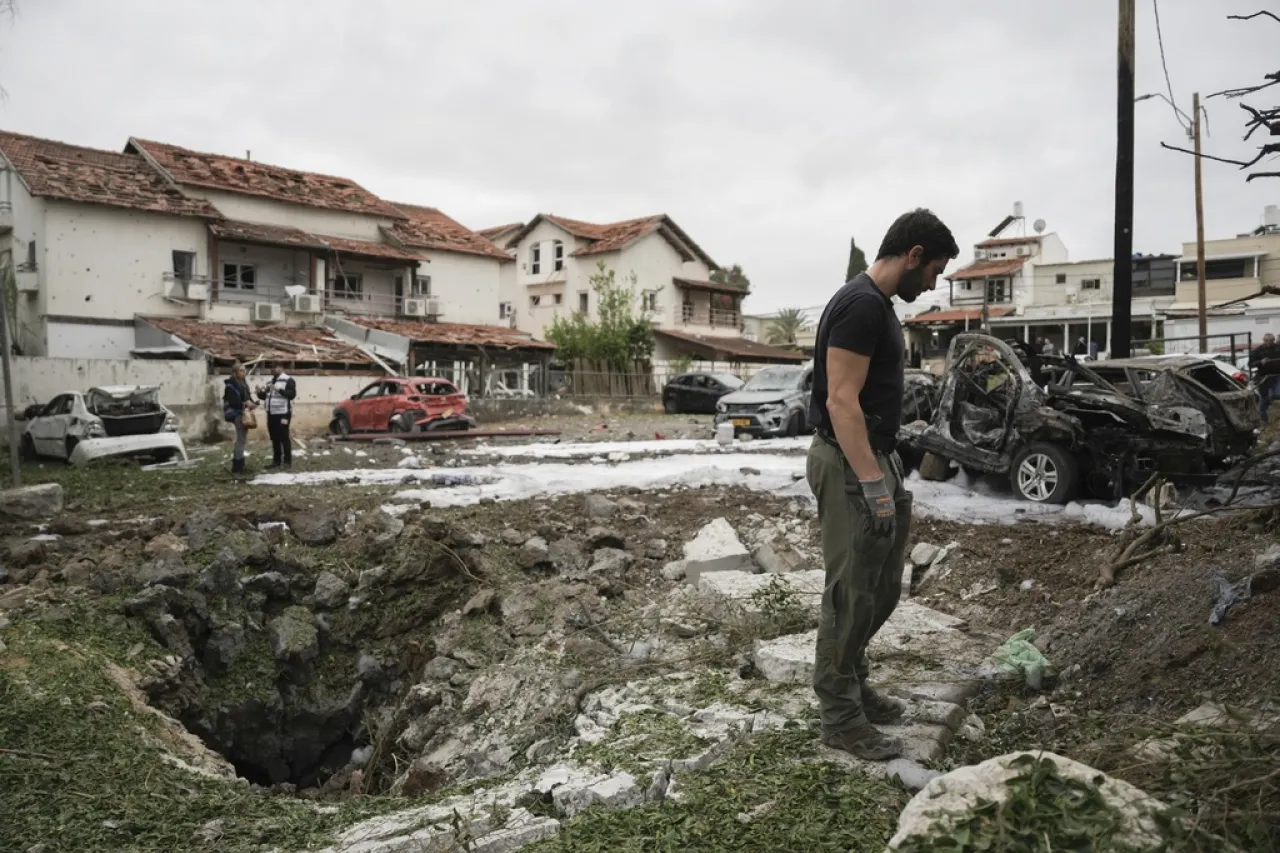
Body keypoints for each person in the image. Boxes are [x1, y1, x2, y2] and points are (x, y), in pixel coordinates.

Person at [808, 208, 959, 760]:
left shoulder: (878, 307)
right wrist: (872, 482)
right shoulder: (860, 305)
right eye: (934, 270)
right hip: (852, 465)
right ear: (914, 255)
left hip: (875, 457)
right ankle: (840, 716)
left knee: (881, 589)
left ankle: (853, 683)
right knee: (850, 596)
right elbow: (840, 400)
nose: (934, 282)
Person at [259, 361, 297, 469]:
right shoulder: (270, 382)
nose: (272, 369)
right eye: (271, 368)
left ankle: (287, 461)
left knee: (284, 437)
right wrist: (259, 393)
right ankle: (276, 461)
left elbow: (292, 395)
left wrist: (279, 389)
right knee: (274, 438)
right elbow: (265, 397)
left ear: (281, 368)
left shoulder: (288, 380)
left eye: (275, 367)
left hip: (283, 413)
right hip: (271, 414)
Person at [222, 362, 256, 475]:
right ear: (235, 372)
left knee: (242, 438)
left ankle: (240, 464)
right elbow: (233, 402)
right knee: (241, 439)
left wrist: (253, 402)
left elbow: (248, 397)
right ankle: (238, 465)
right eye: (241, 370)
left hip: (243, 413)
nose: (244, 372)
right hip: (236, 414)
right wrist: (246, 404)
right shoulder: (230, 385)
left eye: (244, 370)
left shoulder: (244, 384)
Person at [1252, 332, 1280, 421]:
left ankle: (1270, 399)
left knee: (1277, 394)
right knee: (1263, 397)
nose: (1269, 342)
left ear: (1274, 340)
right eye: (1267, 340)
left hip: (1277, 375)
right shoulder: (1257, 351)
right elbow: (1250, 363)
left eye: (1272, 340)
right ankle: (1263, 418)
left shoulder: (1278, 348)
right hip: (1263, 377)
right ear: (1263, 340)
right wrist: (1260, 362)